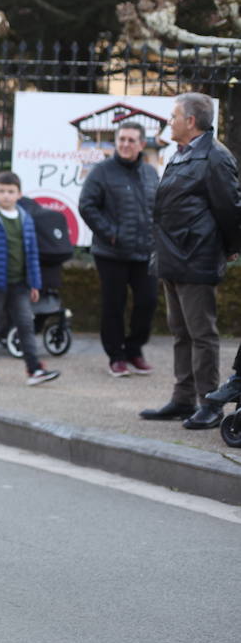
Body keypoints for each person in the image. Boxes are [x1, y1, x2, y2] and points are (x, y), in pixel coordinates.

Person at [139, 93, 241, 430]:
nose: (169, 121)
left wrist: (228, 248)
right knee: (180, 332)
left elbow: (230, 210)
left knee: (202, 334)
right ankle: (183, 399)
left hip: (196, 255)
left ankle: (209, 403)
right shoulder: (182, 154)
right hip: (172, 256)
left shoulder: (215, 157)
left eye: (173, 116)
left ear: (191, 121)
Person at [78, 121, 160, 377]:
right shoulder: (101, 171)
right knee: (114, 305)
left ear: (142, 144)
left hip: (145, 252)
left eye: (131, 140)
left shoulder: (151, 173)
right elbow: (87, 206)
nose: (125, 144)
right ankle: (116, 356)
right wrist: (110, 234)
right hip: (111, 253)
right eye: (121, 139)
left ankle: (134, 350)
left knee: (147, 302)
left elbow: (157, 209)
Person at [0, 172, 61, 386]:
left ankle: (34, 369)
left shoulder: (25, 219)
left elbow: (32, 252)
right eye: (2, 191)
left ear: (19, 195)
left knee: (26, 324)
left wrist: (35, 283)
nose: (6, 196)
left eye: (11, 192)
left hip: (20, 284)